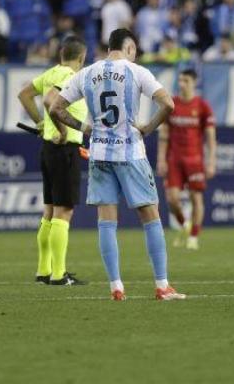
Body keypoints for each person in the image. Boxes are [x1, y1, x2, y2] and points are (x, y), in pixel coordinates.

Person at [49, 29, 185, 301]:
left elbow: (55, 108)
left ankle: (116, 286)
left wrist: (85, 128)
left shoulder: (87, 73)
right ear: (130, 47)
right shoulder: (136, 71)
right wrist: (147, 128)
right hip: (130, 152)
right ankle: (162, 285)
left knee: (106, 222)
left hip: (99, 153)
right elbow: (168, 104)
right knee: (151, 217)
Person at [17, 36, 88, 286]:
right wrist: (64, 130)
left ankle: (43, 270)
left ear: (61, 54)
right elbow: (50, 101)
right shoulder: (72, 77)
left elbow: (25, 95)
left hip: (48, 149)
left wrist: (40, 122)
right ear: (82, 57)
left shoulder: (50, 74)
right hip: (64, 148)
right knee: (63, 211)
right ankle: (59, 274)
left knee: (49, 211)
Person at [157, 69, 216, 250]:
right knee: (172, 199)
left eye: (186, 81)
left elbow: (210, 137)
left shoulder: (202, 106)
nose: (182, 84)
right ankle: (184, 223)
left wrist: (211, 160)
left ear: (194, 83)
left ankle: (193, 236)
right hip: (174, 159)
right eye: (180, 80)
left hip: (195, 160)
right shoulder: (172, 104)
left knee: (196, 198)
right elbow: (164, 134)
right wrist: (161, 158)